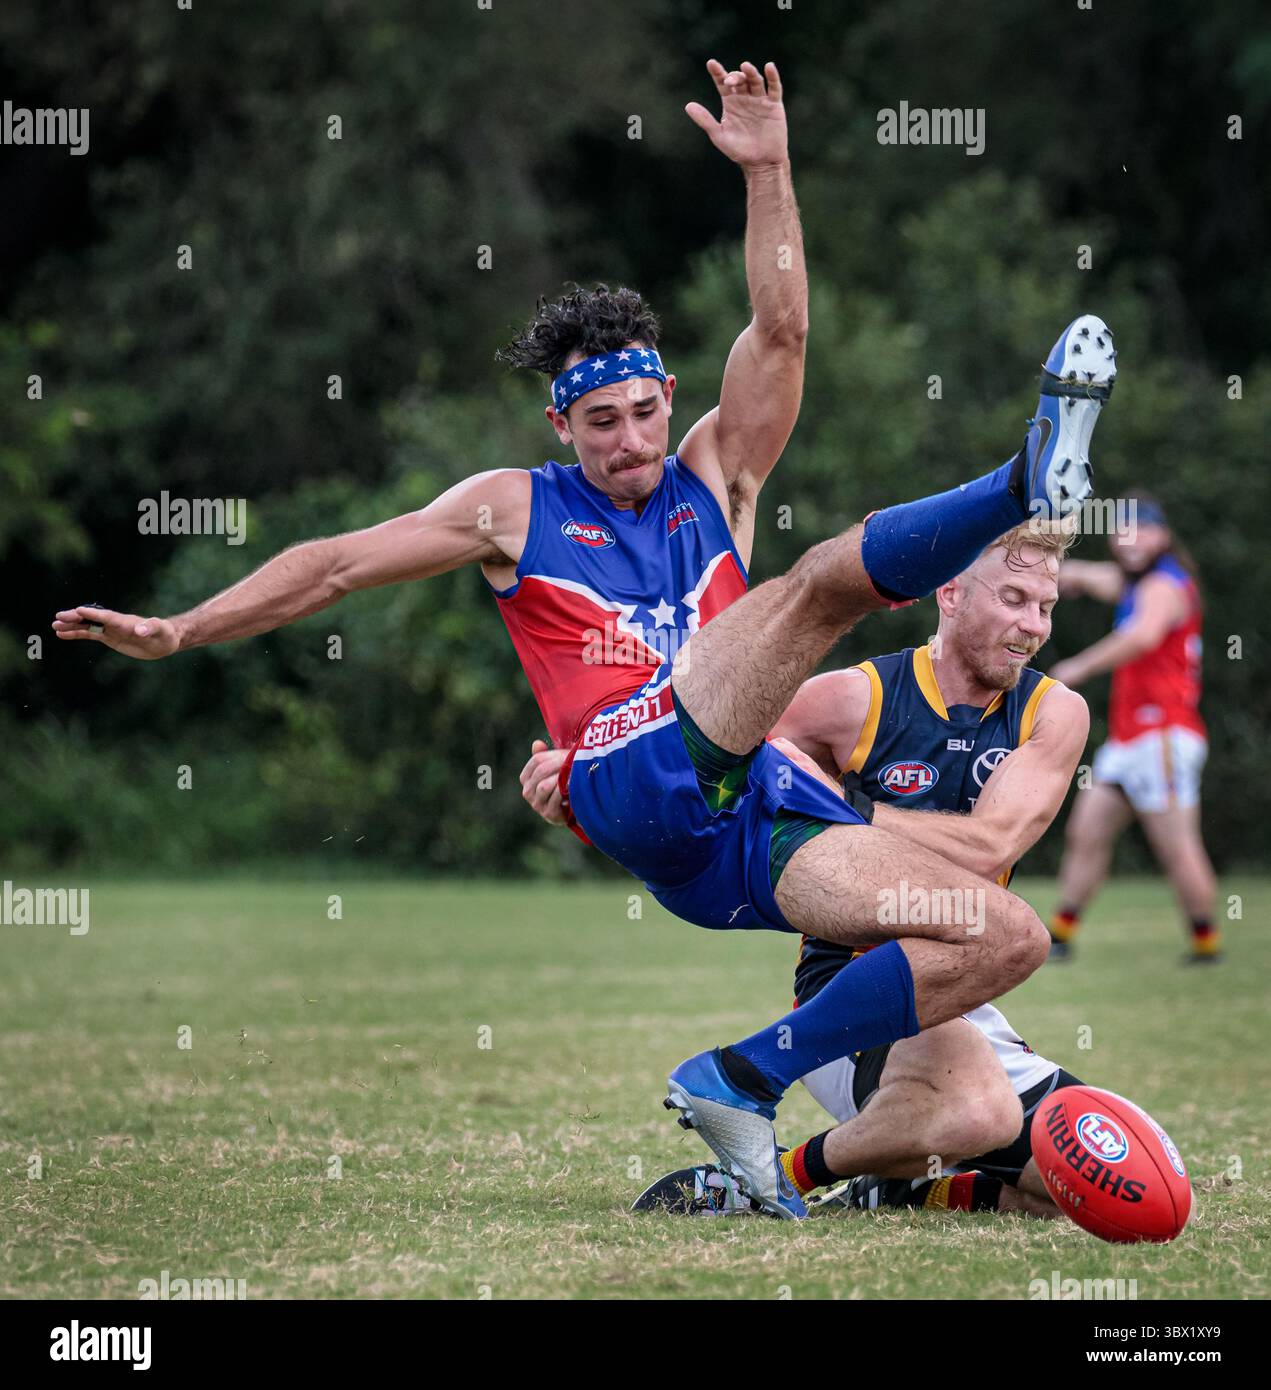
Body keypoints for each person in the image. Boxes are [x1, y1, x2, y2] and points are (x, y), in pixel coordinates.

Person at [52, 58, 1116, 1221]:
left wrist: (768, 171)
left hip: (741, 816)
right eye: (598, 422)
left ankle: (738, 1077)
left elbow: (781, 328)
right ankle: (1022, 478)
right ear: (561, 424)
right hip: (634, 774)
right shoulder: (518, 507)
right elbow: (342, 559)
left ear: (667, 395)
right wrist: (183, 626)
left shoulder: (713, 474)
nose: (627, 439)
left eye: (644, 410)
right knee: (818, 587)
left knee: (998, 929)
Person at [525, 524, 1089, 1221]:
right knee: (976, 1113)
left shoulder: (1054, 713)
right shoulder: (852, 699)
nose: (1031, 626)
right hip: (842, 994)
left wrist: (841, 808)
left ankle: (905, 1183)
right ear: (948, 592)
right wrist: (587, 789)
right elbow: (706, 766)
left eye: (1044, 605)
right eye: (1012, 599)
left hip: (962, 986)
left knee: (1097, 1185)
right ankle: (776, 1174)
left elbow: (989, 844)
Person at [1047, 494, 1217, 962]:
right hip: (1129, 741)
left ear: (1162, 537)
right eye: (1122, 531)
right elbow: (1089, 575)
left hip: (1162, 734)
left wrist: (1077, 668)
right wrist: (1039, 564)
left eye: (1141, 530)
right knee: (1087, 832)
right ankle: (1060, 935)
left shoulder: (1163, 586)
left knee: (1177, 846)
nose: (1130, 540)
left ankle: (1207, 944)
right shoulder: (1134, 583)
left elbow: (1141, 635)